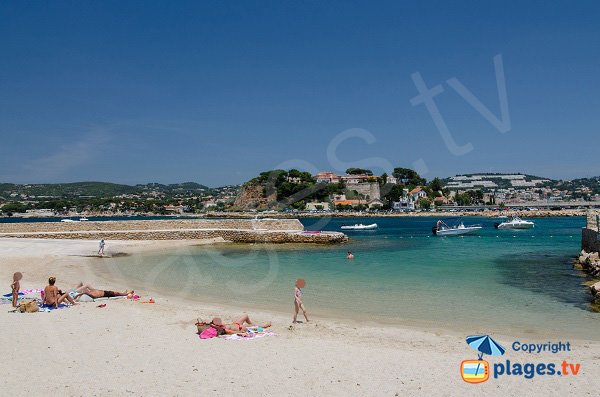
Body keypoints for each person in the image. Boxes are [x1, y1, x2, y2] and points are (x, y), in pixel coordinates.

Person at [198, 315, 272, 335]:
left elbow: (199, 319)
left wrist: (204, 323)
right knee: (255, 327)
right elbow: (231, 332)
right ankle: (265, 325)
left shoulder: (214, 325)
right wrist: (241, 332)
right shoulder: (224, 329)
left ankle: (250, 323)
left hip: (236, 324)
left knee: (245, 316)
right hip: (241, 328)